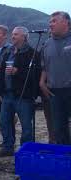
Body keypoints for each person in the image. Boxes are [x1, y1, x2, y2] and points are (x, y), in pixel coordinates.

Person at [0, 26, 41, 156]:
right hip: (7, 94)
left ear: (24, 37)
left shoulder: (32, 53)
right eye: (13, 34)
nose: (12, 36)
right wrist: (1, 91)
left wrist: (17, 72)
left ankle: (25, 150)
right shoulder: (8, 52)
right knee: (4, 121)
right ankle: (8, 147)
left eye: (16, 34)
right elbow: (2, 73)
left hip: (23, 95)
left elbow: (35, 75)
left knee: (26, 125)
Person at [40, 11, 71, 145]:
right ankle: (64, 157)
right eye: (50, 21)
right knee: (58, 127)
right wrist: (42, 82)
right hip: (54, 92)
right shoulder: (47, 44)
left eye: (54, 21)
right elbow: (45, 66)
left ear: (66, 23)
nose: (50, 24)